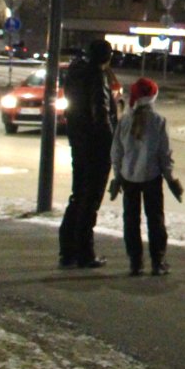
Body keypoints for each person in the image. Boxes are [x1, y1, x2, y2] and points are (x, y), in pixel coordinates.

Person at [109, 78, 182, 276]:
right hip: (152, 177)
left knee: (131, 220)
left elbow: (116, 151)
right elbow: (164, 154)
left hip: (128, 178)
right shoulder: (159, 121)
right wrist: (171, 178)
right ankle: (158, 262)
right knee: (155, 219)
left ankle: (135, 263)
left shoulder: (124, 120)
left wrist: (117, 176)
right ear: (152, 98)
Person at [58, 39, 118, 269]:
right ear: (105, 56)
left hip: (79, 142)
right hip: (95, 146)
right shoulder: (96, 76)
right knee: (90, 199)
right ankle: (84, 252)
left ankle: (68, 250)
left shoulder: (75, 74)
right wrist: (110, 145)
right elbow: (100, 113)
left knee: (78, 195)